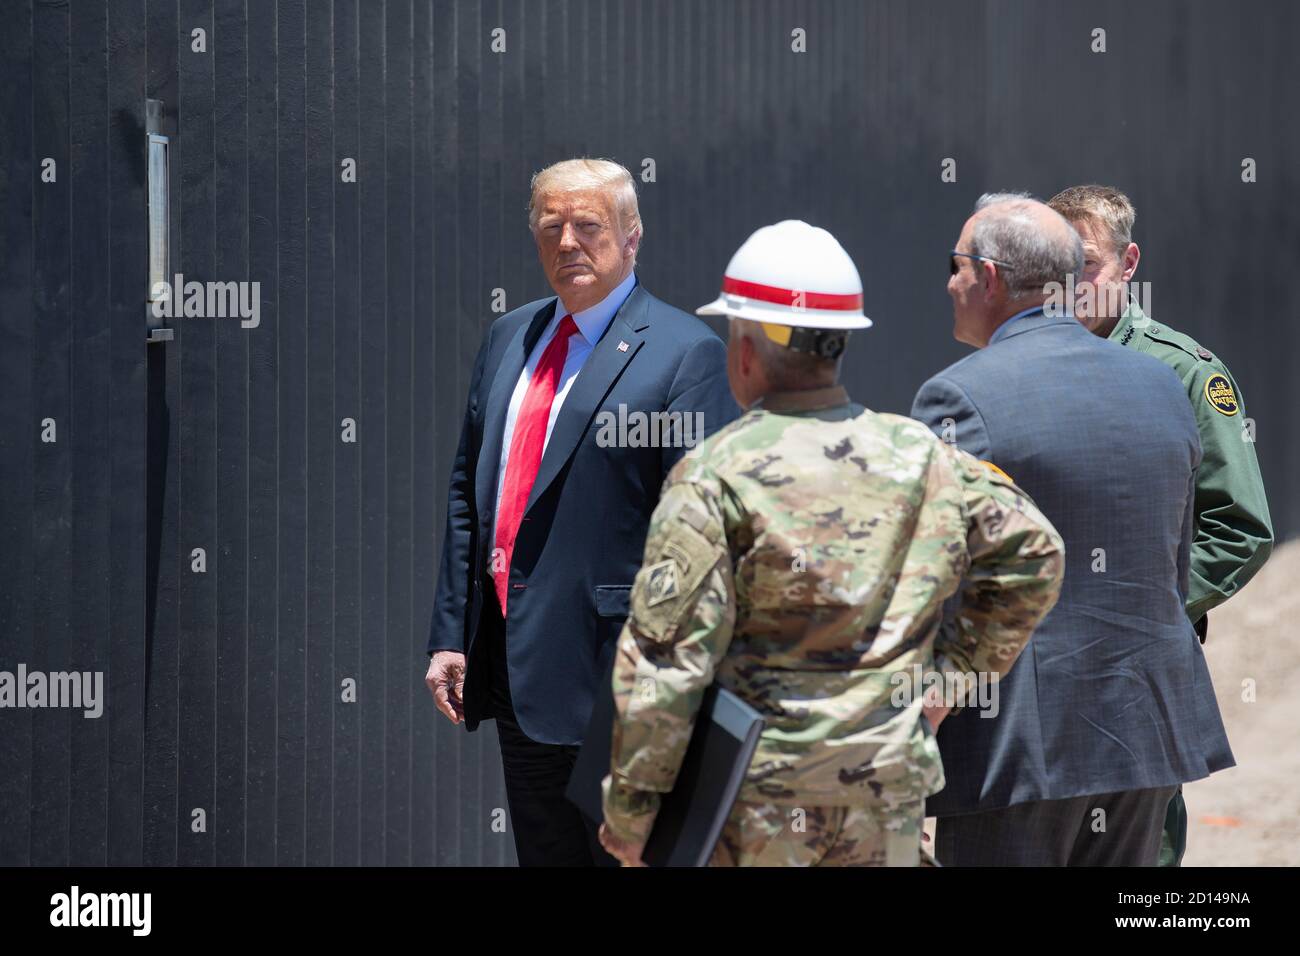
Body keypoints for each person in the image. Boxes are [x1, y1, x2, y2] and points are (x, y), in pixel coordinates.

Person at [595, 220, 1064, 867]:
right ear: (839, 344)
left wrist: (633, 810)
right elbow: (1035, 554)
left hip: (753, 811)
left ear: (747, 349)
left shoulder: (713, 474)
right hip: (887, 797)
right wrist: (949, 682)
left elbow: (666, 664)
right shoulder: (924, 457)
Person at [423, 158, 739, 866]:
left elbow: (704, 534)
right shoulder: (510, 338)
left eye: (588, 226)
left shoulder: (684, 353)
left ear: (632, 238)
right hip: (513, 668)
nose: (568, 242)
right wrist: (452, 633)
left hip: (620, 685)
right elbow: (468, 490)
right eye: (551, 225)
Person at [912, 192, 1235, 866]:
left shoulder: (956, 396)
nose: (949, 282)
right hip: (1146, 733)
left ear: (991, 277)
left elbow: (935, 584)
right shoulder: (1161, 384)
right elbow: (1170, 570)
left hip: (1018, 753)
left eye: (956, 265)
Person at [1046, 183, 1273, 866]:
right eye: (1058, 265)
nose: (1073, 282)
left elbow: (1238, 526)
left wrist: (1145, 605)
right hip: (1040, 659)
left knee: (1136, 846)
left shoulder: (1181, 373)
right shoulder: (1029, 366)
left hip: (1136, 667)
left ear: (1129, 262)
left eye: (1088, 263)